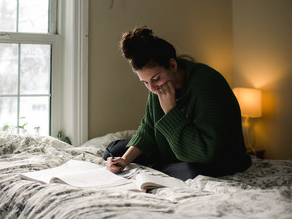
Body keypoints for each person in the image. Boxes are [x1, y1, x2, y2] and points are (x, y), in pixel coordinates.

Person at [103, 26, 251, 181]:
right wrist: (125, 160)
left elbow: (206, 152)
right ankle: (163, 166)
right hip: (174, 150)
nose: (153, 88)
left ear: (172, 65)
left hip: (214, 157)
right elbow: (148, 127)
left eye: (156, 79)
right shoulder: (158, 87)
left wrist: (171, 111)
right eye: (145, 83)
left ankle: (160, 167)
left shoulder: (206, 84)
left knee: (193, 171)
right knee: (113, 153)